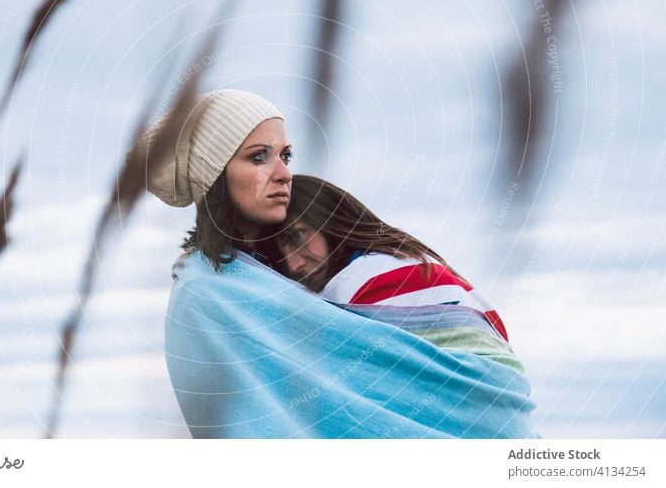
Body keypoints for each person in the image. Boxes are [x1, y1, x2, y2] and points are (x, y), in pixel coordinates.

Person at [141, 89, 538, 439]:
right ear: (214, 173)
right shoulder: (208, 291)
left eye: (286, 155)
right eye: (259, 157)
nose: (283, 174)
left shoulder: (364, 276)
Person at [262, 174, 523, 372]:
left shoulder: (359, 282)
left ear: (329, 220)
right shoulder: (413, 261)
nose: (293, 264)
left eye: (297, 236)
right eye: (279, 257)